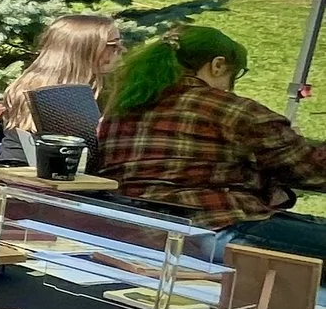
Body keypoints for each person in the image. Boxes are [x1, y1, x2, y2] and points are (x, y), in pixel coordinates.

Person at [95, 25, 326, 263]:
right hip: (213, 229)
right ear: (217, 65)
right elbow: (314, 172)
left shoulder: (121, 109)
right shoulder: (231, 110)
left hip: (138, 227)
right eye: (232, 74)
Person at [0, 14, 124, 162]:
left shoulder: (26, 86)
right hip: (35, 177)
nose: (122, 50)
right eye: (113, 45)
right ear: (83, 49)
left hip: (21, 175)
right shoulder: (83, 96)